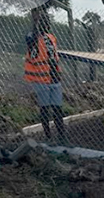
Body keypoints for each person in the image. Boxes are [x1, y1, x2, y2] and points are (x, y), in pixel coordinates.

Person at [24, 8, 67, 144]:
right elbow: (33, 40)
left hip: (54, 78)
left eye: (47, 22)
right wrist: (35, 21)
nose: (46, 24)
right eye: (43, 22)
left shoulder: (51, 37)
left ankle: (61, 136)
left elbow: (54, 57)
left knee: (57, 109)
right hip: (41, 79)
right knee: (45, 108)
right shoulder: (32, 37)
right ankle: (48, 137)